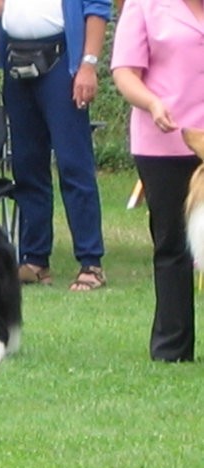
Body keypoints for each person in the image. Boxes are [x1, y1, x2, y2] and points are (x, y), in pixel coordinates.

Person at [0, 0, 110, 291]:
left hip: (61, 59)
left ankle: (91, 261)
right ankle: (35, 258)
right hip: (17, 57)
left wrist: (88, 65)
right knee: (26, 164)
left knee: (73, 163)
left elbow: (97, 8)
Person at [111, 0, 204, 362]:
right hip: (163, 140)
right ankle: (172, 348)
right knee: (171, 244)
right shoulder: (145, 4)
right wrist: (151, 103)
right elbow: (124, 72)